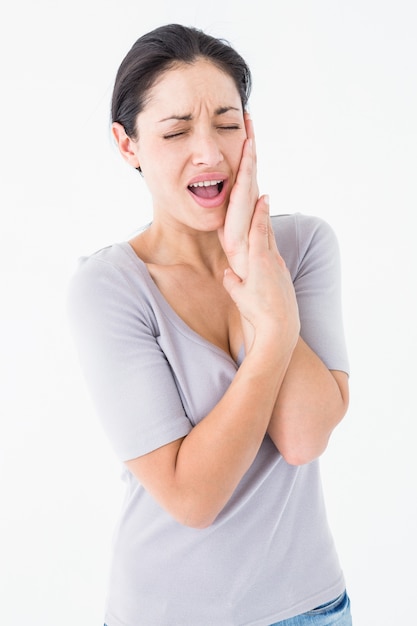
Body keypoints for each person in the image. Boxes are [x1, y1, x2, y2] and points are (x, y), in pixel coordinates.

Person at [68, 23, 352, 626]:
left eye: (228, 124)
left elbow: (303, 438)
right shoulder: (111, 288)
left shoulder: (301, 248)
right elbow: (192, 497)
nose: (210, 152)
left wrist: (254, 259)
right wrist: (274, 332)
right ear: (128, 146)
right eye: (176, 131)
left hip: (314, 609)